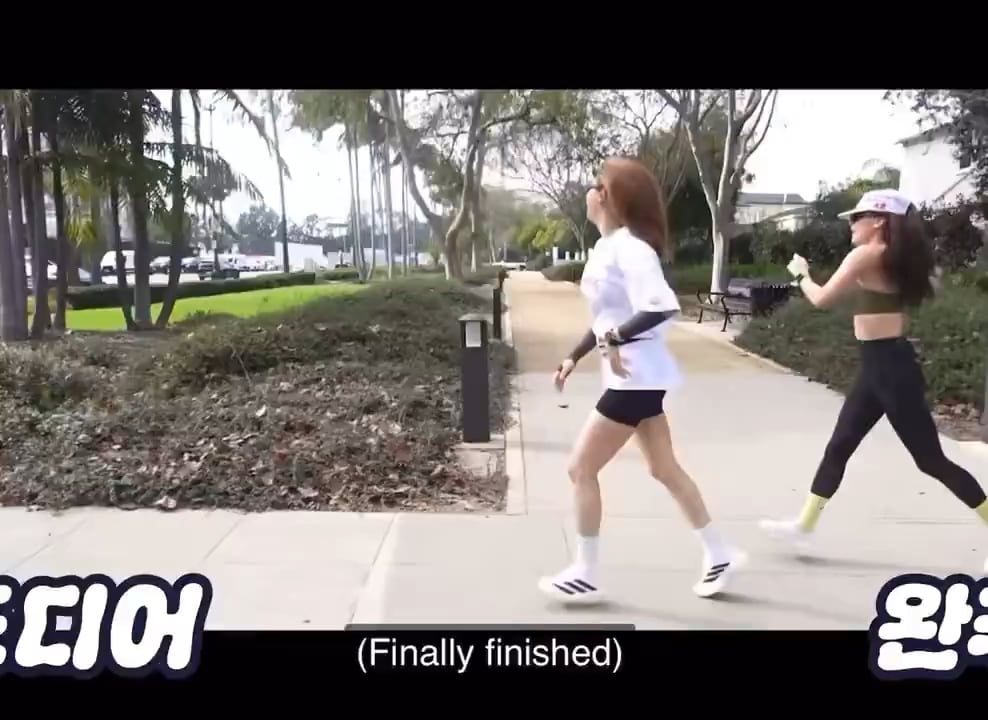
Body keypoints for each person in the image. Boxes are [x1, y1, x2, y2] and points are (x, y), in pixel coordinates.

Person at [537, 157, 747, 605]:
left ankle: (586, 572)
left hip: (634, 379)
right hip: (636, 376)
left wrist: (615, 338)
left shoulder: (631, 248)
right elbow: (607, 316)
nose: (589, 190)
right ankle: (719, 552)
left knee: (580, 468)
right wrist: (575, 356)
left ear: (610, 198)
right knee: (662, 468)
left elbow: (660, 306)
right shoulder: (607, 246)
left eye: (596, 184)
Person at [759, 188, 988, 573]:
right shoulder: (895, 258)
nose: (851, 224)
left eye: (857, 217)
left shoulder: (866, 254)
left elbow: (821, 299)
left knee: (930, 460)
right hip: (879, 365)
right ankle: (803, 526)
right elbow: (918, 287)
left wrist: (801, 275)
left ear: (879, 220)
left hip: (890, 370)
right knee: (840, 446)